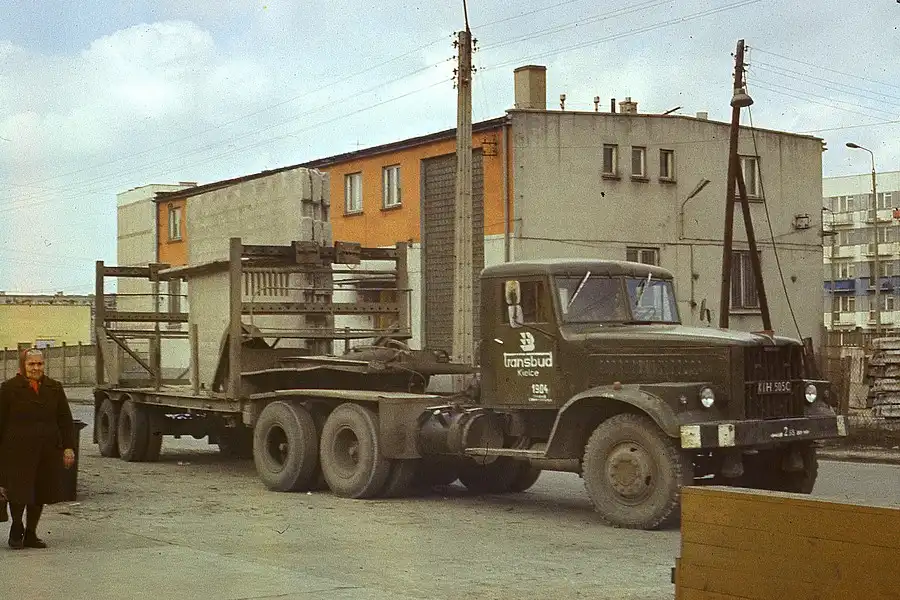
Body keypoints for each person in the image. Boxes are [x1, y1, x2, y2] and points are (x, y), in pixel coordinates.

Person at [0, 348, 76, 549]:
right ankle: (17, 527)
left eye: (39, 364)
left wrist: (68, 447)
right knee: (18, 491)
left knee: (40, 492)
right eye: (31, 364)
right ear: (23, 365)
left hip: (47, 450)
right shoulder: (8, 388)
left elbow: (65, 420)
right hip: (16, 451)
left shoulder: (54, 388)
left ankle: (31, 533)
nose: (36, 368)